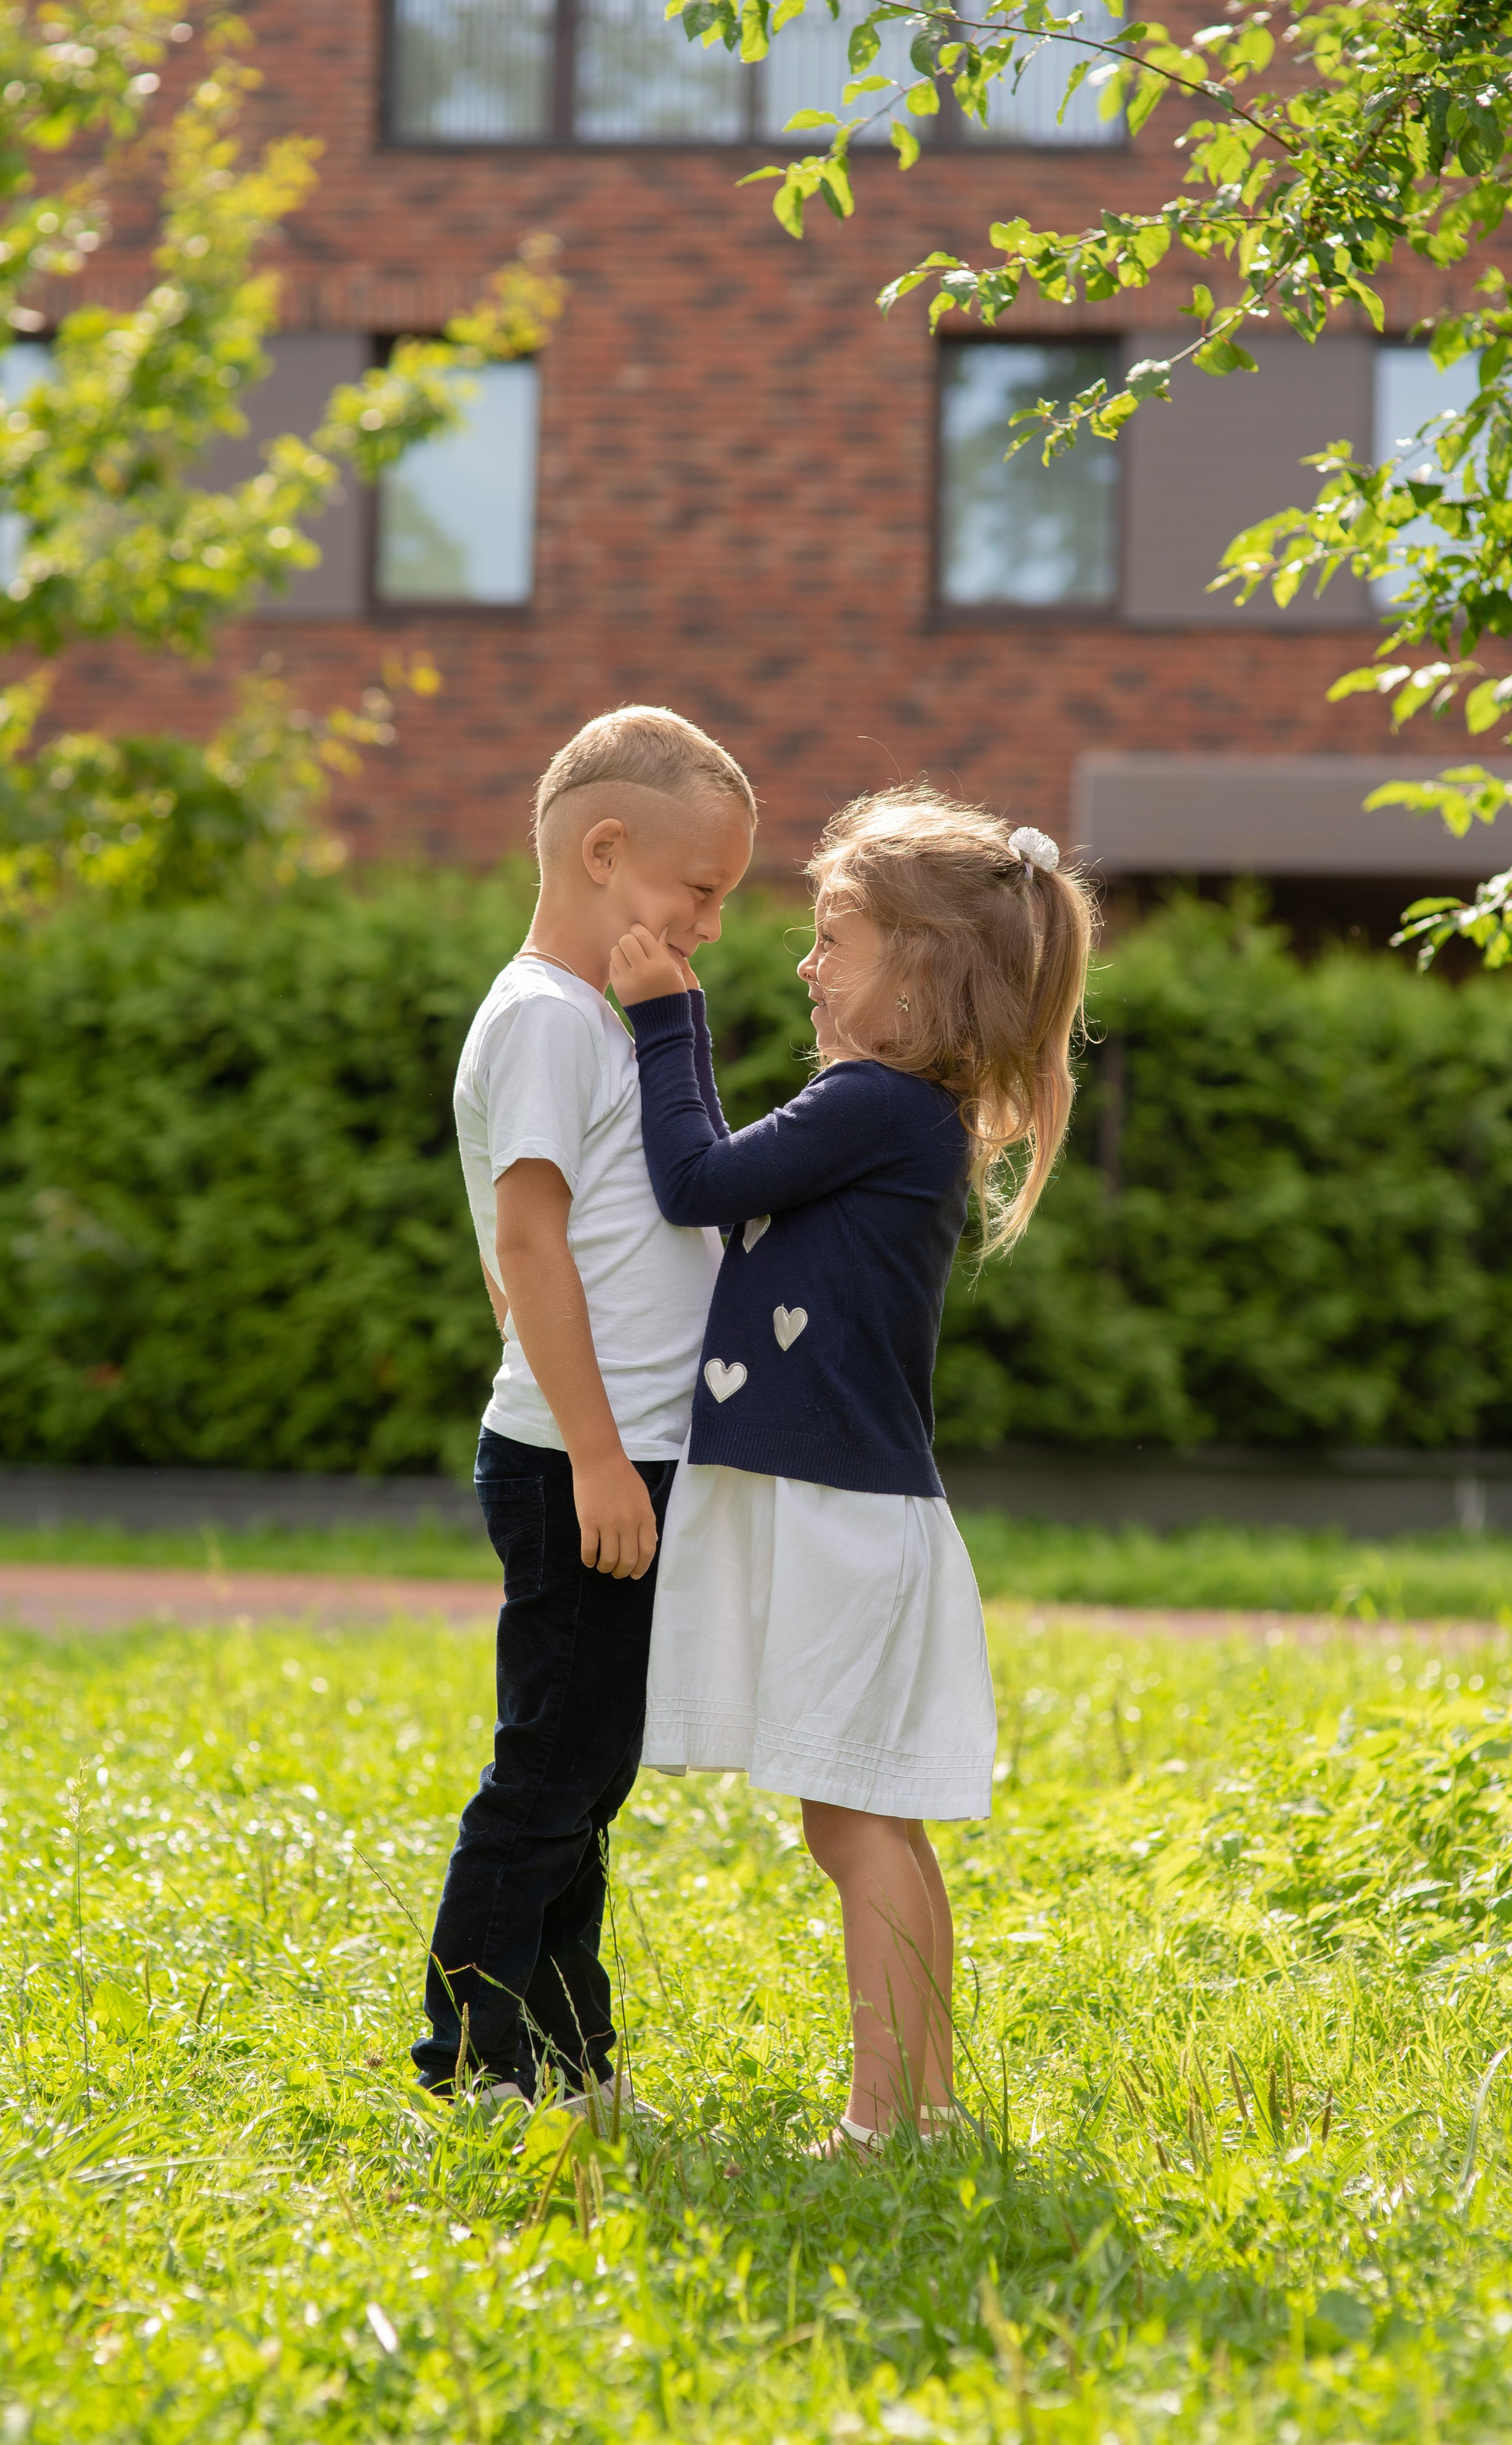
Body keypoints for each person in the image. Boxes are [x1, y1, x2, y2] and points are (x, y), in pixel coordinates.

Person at [608, 787, 1094, 2152]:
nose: (807, 966)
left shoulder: (877, 1101)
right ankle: (925, 2108)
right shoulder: (895, 1109)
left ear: (922, 970)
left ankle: (884, 2121)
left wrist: (664, 1019)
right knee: (870, 1819)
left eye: (833, 938)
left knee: (854, 1826)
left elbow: (693, 1180)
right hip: (845, 1505)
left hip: (836, 1511)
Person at [414, 705, 756, 2114]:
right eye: (703, 891)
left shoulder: (585, 1023)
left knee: (584, 1774)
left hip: (610, 1457)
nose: (712, 924)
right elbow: (532, 1247)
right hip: (580, 1464)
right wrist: (606, 1461)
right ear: (606, 852)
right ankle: (472, 2061)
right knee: (549, 1775)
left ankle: (564, 2056)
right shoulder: (548, 1019)